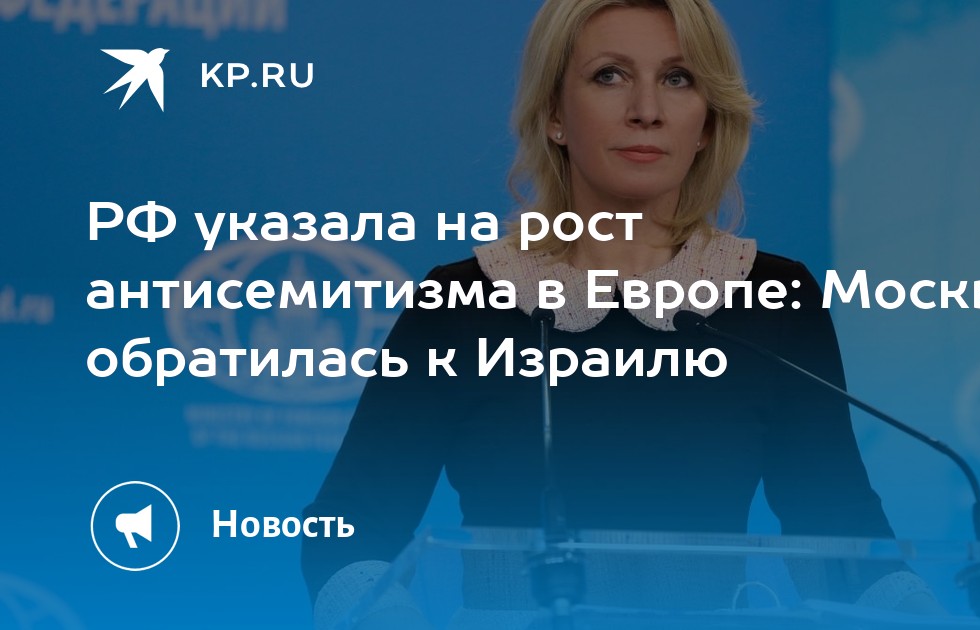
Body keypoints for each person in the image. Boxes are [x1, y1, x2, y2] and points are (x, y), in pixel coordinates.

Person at [303, 1, 935, 627]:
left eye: (678, 78)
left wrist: (927, 617)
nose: (646, 110)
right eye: (610, 75)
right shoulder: (460, 303)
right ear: (554, 114)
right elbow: (344, 536)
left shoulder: (774, 297)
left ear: (707, 122)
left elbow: (842, 537)